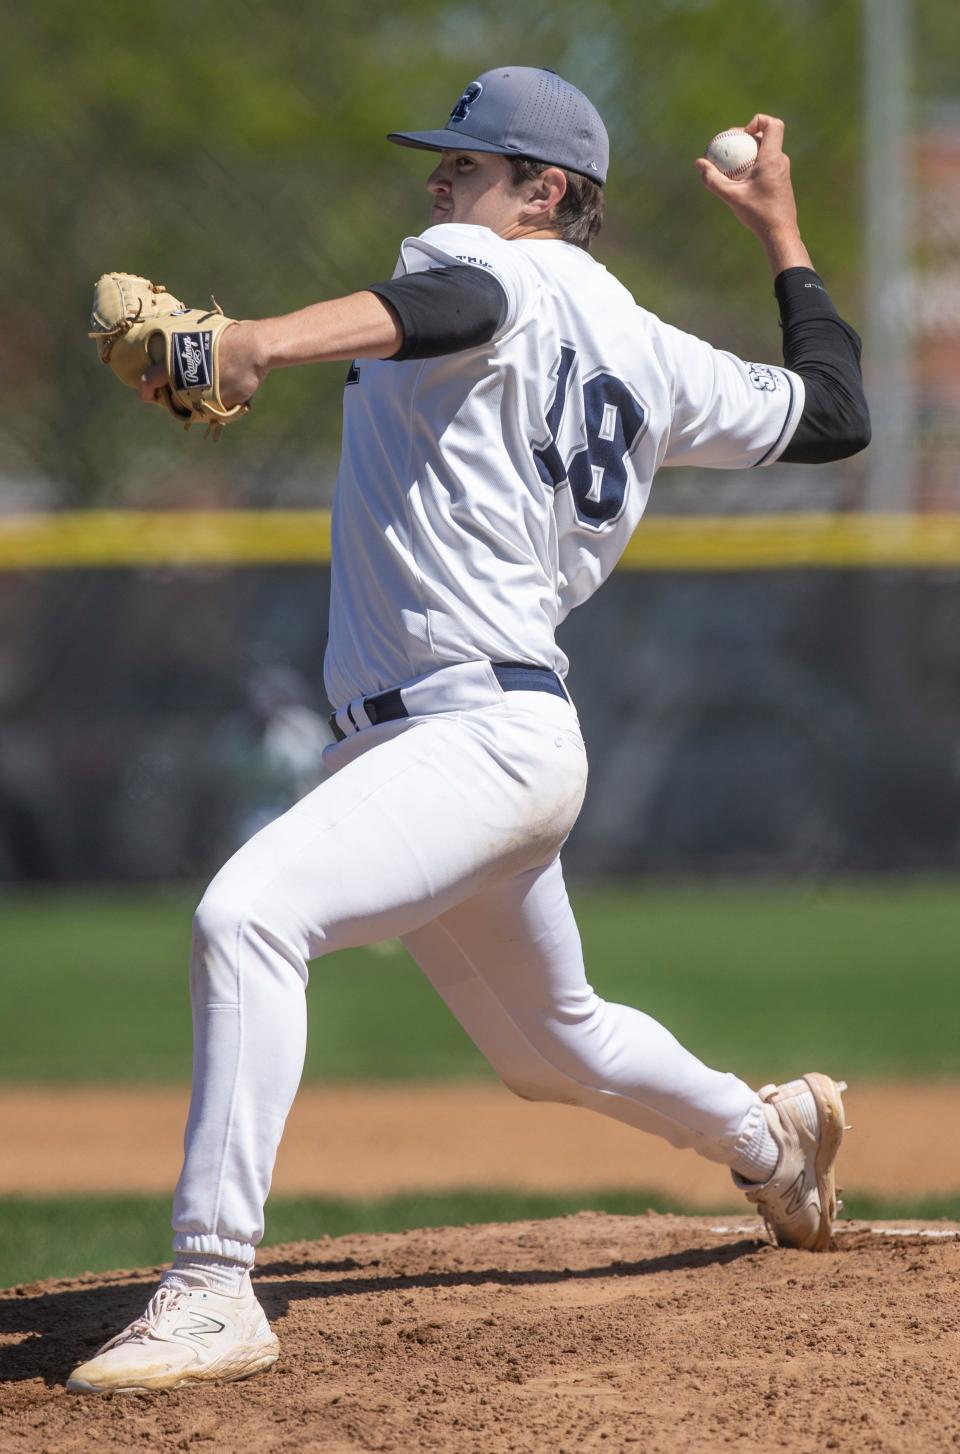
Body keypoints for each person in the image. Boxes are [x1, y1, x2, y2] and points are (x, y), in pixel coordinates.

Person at [68, 66, 869, 1394]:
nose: (440, 184)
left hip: (471, 733)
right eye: (444, 166)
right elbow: (835, 414)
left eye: (468, 165)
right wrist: (783, 239)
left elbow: (463, 298)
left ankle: (213, 1282)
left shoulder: (489, 267)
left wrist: (256, 340)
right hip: (484, 740)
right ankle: (773, 1136)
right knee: (550, 1045)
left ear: (544, 191)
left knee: (246, 916)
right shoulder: (652, 349)